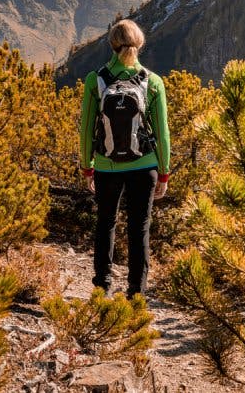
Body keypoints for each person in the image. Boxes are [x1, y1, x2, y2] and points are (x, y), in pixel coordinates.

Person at [79, 19, 170, 299]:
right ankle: (136, 293)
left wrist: (87, 167)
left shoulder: (96, 80)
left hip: (106, 165)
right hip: (144, 165)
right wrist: (164, 172)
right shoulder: (152, 81)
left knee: (105, 224)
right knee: (139, 227)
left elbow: (86, 128)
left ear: (112, 44)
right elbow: (162, 132)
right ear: (139, 44)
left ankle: (102, 287)